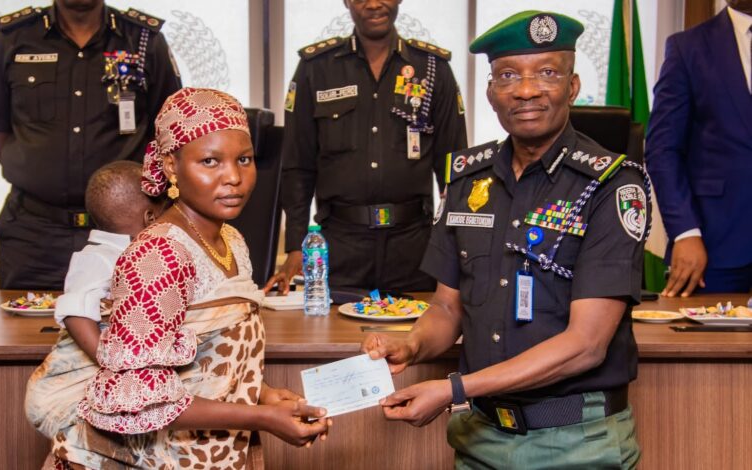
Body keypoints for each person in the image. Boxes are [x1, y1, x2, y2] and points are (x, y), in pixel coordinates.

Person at [363, 11, 649, 469]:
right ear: (491, 92)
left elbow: (587, 343)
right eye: (508, 75)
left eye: (548, 73)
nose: (527, 89)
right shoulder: (465, 180)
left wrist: (454, 389)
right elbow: (446, 308)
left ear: (572, 87)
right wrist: (411, 346)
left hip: (577, 445)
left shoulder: (611, 186)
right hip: (480, 440)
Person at [34, 88, 329, 468]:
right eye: (210, 161)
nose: (233, 178)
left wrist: (264, 395)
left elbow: (210, 363)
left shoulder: (231, 239)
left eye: (244, 159)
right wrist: (261, 419)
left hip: (199, 455)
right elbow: (139, 400)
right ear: (172, 167)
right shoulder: (158, 255)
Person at [0, 0, 181, 291]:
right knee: (23, 332)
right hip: (34, 234)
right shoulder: (13, 38)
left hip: (125, 233)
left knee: (132, 330)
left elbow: (169, 130)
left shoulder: (144, 39)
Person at [265, 0, 467, 294]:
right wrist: (295, 245)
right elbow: (298, 165)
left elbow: (453, 168)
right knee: (328, 338)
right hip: (339, 248)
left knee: (419, 337)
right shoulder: (316, 68)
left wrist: (455, 244)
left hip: (415, 248)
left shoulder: (432, 68)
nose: (374, 4)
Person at [25, 160, 165, 437]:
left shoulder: (142, 254)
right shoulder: (96, 258)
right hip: (83, 381)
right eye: (164, 215)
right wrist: (111, 362)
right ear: (150, 218)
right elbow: (76, 312)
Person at [646, 0, 752, 296]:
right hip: (715, 244)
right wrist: (685, 231)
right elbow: (662, 149)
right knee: (704, 342)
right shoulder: (688, 47)